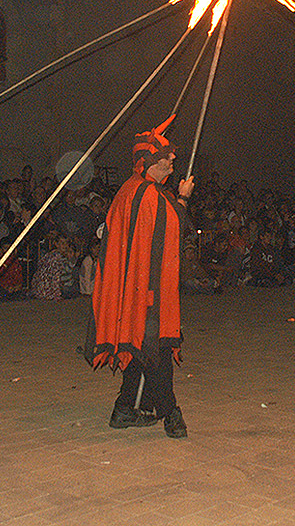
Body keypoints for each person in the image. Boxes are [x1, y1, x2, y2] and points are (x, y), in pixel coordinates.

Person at [86, 115, 194, 439]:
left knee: (139, 347)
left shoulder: (129, 190)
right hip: (146, 291)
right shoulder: (148, 194)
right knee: (156, 350)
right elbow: (173, 228)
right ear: (150, 163)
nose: (172, 168)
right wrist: (184, 197)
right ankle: (170, 414)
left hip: (134, 288)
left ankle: (124, 409)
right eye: (166, 162)